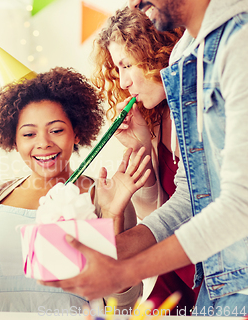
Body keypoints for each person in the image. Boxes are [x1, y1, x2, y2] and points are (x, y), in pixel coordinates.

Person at [41, 0, 248, 314]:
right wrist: (109, 251)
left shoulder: (235, 44)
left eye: (126, 65)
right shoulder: (187, 63)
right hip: (212, 279)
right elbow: (189, 201)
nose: (138, 5)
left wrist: (122, 267)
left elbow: (235, 206)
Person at [0, 67, 151, 312]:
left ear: (76, 133)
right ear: (13, 141)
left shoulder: (107, 196)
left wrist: (114, 215)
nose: (43, 143)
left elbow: (124, 308)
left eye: (56, 130)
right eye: (29, 134)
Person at [91, 7, 198, 314]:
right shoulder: (157, 118)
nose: (123, 82)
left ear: (157, 52)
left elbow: (191, 206)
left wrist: (114, 251)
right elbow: (157, 211)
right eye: (117, 70)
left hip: (211, 266)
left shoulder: (196, 110)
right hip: (178, 270)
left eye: (126, 65)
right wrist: (142, 150)